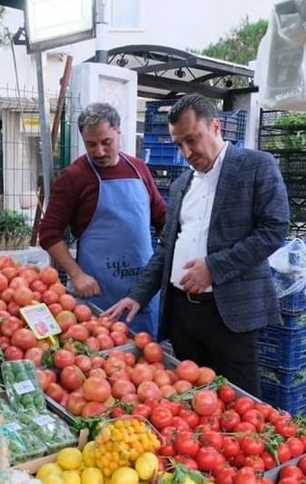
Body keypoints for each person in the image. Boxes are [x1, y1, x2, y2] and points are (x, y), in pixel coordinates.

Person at [104, 94, 289, 395]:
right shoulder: (181, 185)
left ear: (216, 126)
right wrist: (137, 296)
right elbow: (167, 248)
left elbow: (274, 229)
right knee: (191, 400)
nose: (187, 152)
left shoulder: (256, 166)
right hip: (182, 315)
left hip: (229, 316)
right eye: (179, 144)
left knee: (239, 402)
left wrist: (213, 268)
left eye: (192, 139)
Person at [38, 102, 167, 335]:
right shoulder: (74, 177)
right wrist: (76, 274)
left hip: (143, 290)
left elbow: (162, 220)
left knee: (150, 357)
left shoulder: (139, 169)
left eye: (106, 142)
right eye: (91, 144)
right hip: (100, 292)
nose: (99, 151)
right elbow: (48, 233)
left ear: (119, 132)